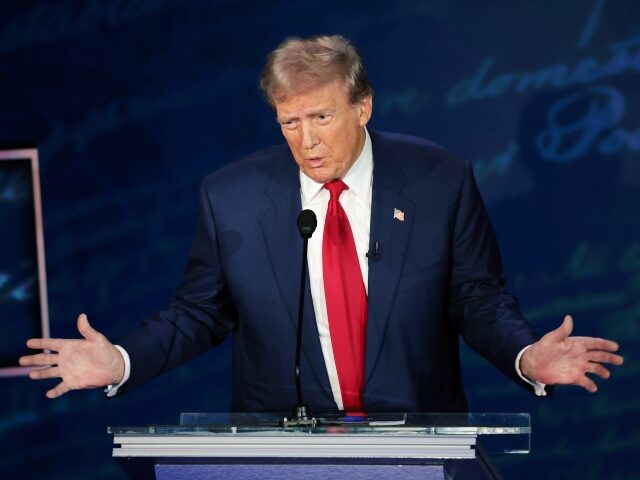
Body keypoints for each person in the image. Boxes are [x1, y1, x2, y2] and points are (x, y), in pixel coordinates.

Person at [20, 35, 623, 413]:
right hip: (281, 448)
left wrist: (524, 356)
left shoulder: (439, 179)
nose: (305, 141)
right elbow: (198, 312)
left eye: (321, 116)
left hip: (413, 442)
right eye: (288, 122)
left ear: (363, 106)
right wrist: (123, 360)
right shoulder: (230, 196)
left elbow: (476, 299)